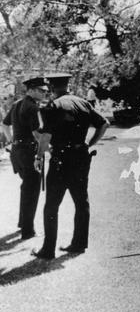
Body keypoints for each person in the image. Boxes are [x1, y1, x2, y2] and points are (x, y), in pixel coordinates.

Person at [31, 73, 109, 260]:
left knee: (51, 206)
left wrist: (39, 156)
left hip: (61, 159)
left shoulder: (54, 106)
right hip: (81, 156)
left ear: (52, 88)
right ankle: (79, 244)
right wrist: (89, 144)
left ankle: (48, 250)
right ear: (68, 85)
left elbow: (46, 137)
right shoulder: (83, 103)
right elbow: (104, 124)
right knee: (81, 202)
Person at [1, 76, 49, 240]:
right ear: (32, 90)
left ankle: (24, 223)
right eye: (42, 91)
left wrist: (10, 141)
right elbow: (37, 134)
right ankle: (28, 231)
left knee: (26, 187)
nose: (45, 93)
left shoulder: (17, 104)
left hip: (17, 151)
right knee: (31, 189)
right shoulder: (32, 107)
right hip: (29, 152)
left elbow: (5, 125)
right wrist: (48, 149)